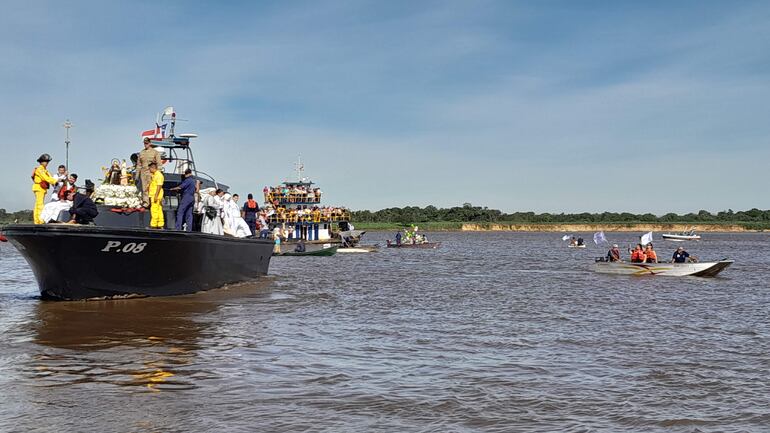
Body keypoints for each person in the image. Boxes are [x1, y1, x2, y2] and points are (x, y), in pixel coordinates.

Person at [31, 154, 58, 224]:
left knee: (37, 204)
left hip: (41, 188)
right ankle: (40, 220)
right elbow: (45, 178)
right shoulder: (40, 169)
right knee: (40, 204)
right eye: (46, 161)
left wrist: (56, 181)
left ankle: (37, 220)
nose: (47, 163)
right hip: (39, 187)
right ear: (41, 162)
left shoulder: (45, 170)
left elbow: (50, 177)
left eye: (47, 161)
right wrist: (55, 181)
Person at [137, 137, 162, 207]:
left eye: (147, 143)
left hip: (151, 172)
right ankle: (146, 202)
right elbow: (138, 164)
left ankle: (152, 201)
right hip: (143, 172)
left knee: (152, 187)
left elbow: (159, 164)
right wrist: (137, 176)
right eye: (144, 143)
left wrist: (157, 174)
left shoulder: (155, 152)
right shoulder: (141, 152)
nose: (145, 145)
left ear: (150, 143)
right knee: (144, 188)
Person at [148, 162, 165, 229]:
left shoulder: (158, 175)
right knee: (159, 210)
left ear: (153, 168)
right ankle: (160, 224)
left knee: (154, 210)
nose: (149, 170)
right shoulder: (155, 175)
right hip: (156, 195)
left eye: (150, 168)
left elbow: (159, 186)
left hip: (155, 195)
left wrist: (155, 196)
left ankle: (153, 225)